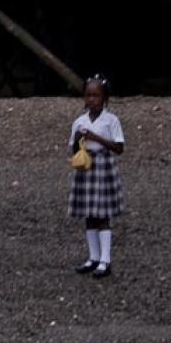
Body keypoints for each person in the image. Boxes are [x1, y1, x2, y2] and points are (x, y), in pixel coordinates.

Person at [67, 75, 126, 279]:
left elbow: (119, 148)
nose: (91, 99)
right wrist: (77, 141)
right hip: (85, 166)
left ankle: (105, 260)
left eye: (96, 95)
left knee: (102, 215)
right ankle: (93, 257)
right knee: (89, 214)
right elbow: (73, 151)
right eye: (88, 95)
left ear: (104, 98)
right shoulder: (79, 121)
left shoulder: (111, 120)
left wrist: (96, 137)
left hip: (103, 165)